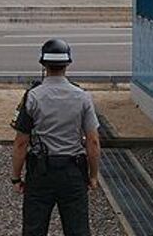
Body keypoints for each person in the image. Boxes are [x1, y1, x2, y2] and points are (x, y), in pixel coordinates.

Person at [11, 38, 102, 236]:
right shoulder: (82, 97)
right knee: (77, 230)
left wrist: (16, 178)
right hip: (73, 172)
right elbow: (93, 141)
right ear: (67, 64)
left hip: (40, 172)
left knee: (34, 229)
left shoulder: (32, 97)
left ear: (43, 64)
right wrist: (93, 175)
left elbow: (21, 143)